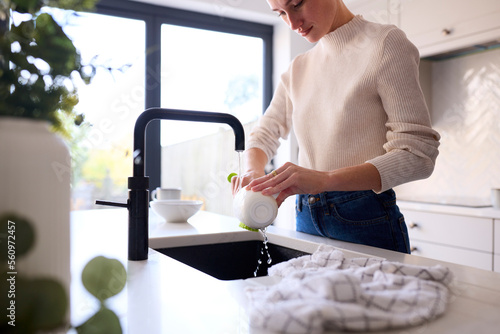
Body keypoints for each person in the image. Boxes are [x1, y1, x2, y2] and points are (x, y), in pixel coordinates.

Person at [231, 0, 440, 254]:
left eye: (296, 4)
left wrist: (324, 180)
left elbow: (418, 154)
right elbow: (263, 134)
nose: (292, 23)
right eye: (281, 13)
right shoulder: (297, 69)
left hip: (364, 218)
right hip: (305, 216)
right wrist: (253, 172)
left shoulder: (385, 44)